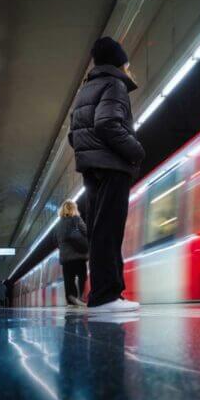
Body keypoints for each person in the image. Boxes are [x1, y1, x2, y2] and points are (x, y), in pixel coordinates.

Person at [68, 36, 143, 312]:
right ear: (119, 63)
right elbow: (107, 123)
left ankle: (105, 294)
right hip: (113, 166)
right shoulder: (114, 85)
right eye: (127, 64)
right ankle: (106, 297)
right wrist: (136, 151)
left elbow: (73, 134)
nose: (129, 69)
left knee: (100, 232)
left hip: (92, 168)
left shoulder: (85, 90)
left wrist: (89, 156)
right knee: (109, 232)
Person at [54, 200, 89, 307]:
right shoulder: (76, 219)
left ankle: (71, 300)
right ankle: (81, 297)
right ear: (74, 209)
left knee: (68, 279)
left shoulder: (58, 225)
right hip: (79, 255)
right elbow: (86, 231)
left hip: (65, 258)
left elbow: (54, 241)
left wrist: (63, 247)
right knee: (82, 276)